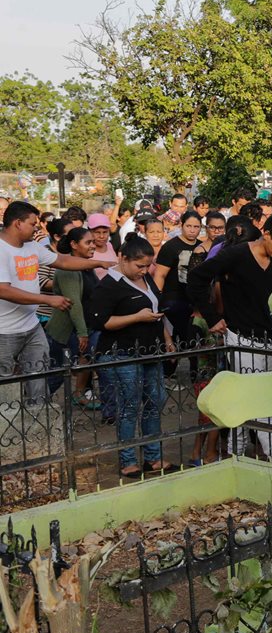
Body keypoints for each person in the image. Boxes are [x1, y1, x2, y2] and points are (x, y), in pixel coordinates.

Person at [187, 211, 272, 461]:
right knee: (259, 402)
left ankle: (237, 455)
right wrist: (212, 317)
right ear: (267, 234)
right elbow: (196, 277)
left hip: (269, 340)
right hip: (241, 339)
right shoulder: (236, 255)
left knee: (249, 401)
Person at [0, 201, 112, 405]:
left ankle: (38, 421)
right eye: (33, 223)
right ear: (17, 223)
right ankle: (8, 430)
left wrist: (98, 262)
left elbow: (62, 261)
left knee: (40, 376)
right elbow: (3, 290)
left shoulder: (32, 246)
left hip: (31, 326)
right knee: (5, 384)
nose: (37, 227)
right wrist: (46, 299)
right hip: (4, 331)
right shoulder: (1, 249)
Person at [90, 235, 176, 477]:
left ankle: (153, 457)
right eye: (139, 266)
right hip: (122, 353)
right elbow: (101, 322)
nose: (144, 270)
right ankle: (128, 460)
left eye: (147, 266)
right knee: (129, 406)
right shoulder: (109, 285)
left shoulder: (144, 277)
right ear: (123, 258)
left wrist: (167, 339)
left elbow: (156, 309)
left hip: (150, 350)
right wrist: (136, 317)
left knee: (154, 401)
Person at [46, 228, 101, 407]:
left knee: (88, 356)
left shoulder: (85, 265)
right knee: (58, 373)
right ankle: (34, 404)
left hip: (85, 325)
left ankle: (79, 393)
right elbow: (73, 303)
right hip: (69, 329)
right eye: (88, 242)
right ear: (74, 245)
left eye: (93, 242)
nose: (93, 245)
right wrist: (82, 332)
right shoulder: (68, 269)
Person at [154, 210, 204, 358]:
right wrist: (157, 299)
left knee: (195, 342)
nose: (192, 230)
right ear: (181, 225)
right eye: (189, 226)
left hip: (194, 301)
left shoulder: (202, 246)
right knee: (174, 342)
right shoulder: (170, 247)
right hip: (174, 299)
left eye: (196, 227)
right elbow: (160, 274)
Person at [87, 213, 117, 279]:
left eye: (105, 232)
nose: (101, 236)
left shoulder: (109, 245)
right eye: (97, 232)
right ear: (89, 232)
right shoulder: (86, 250)